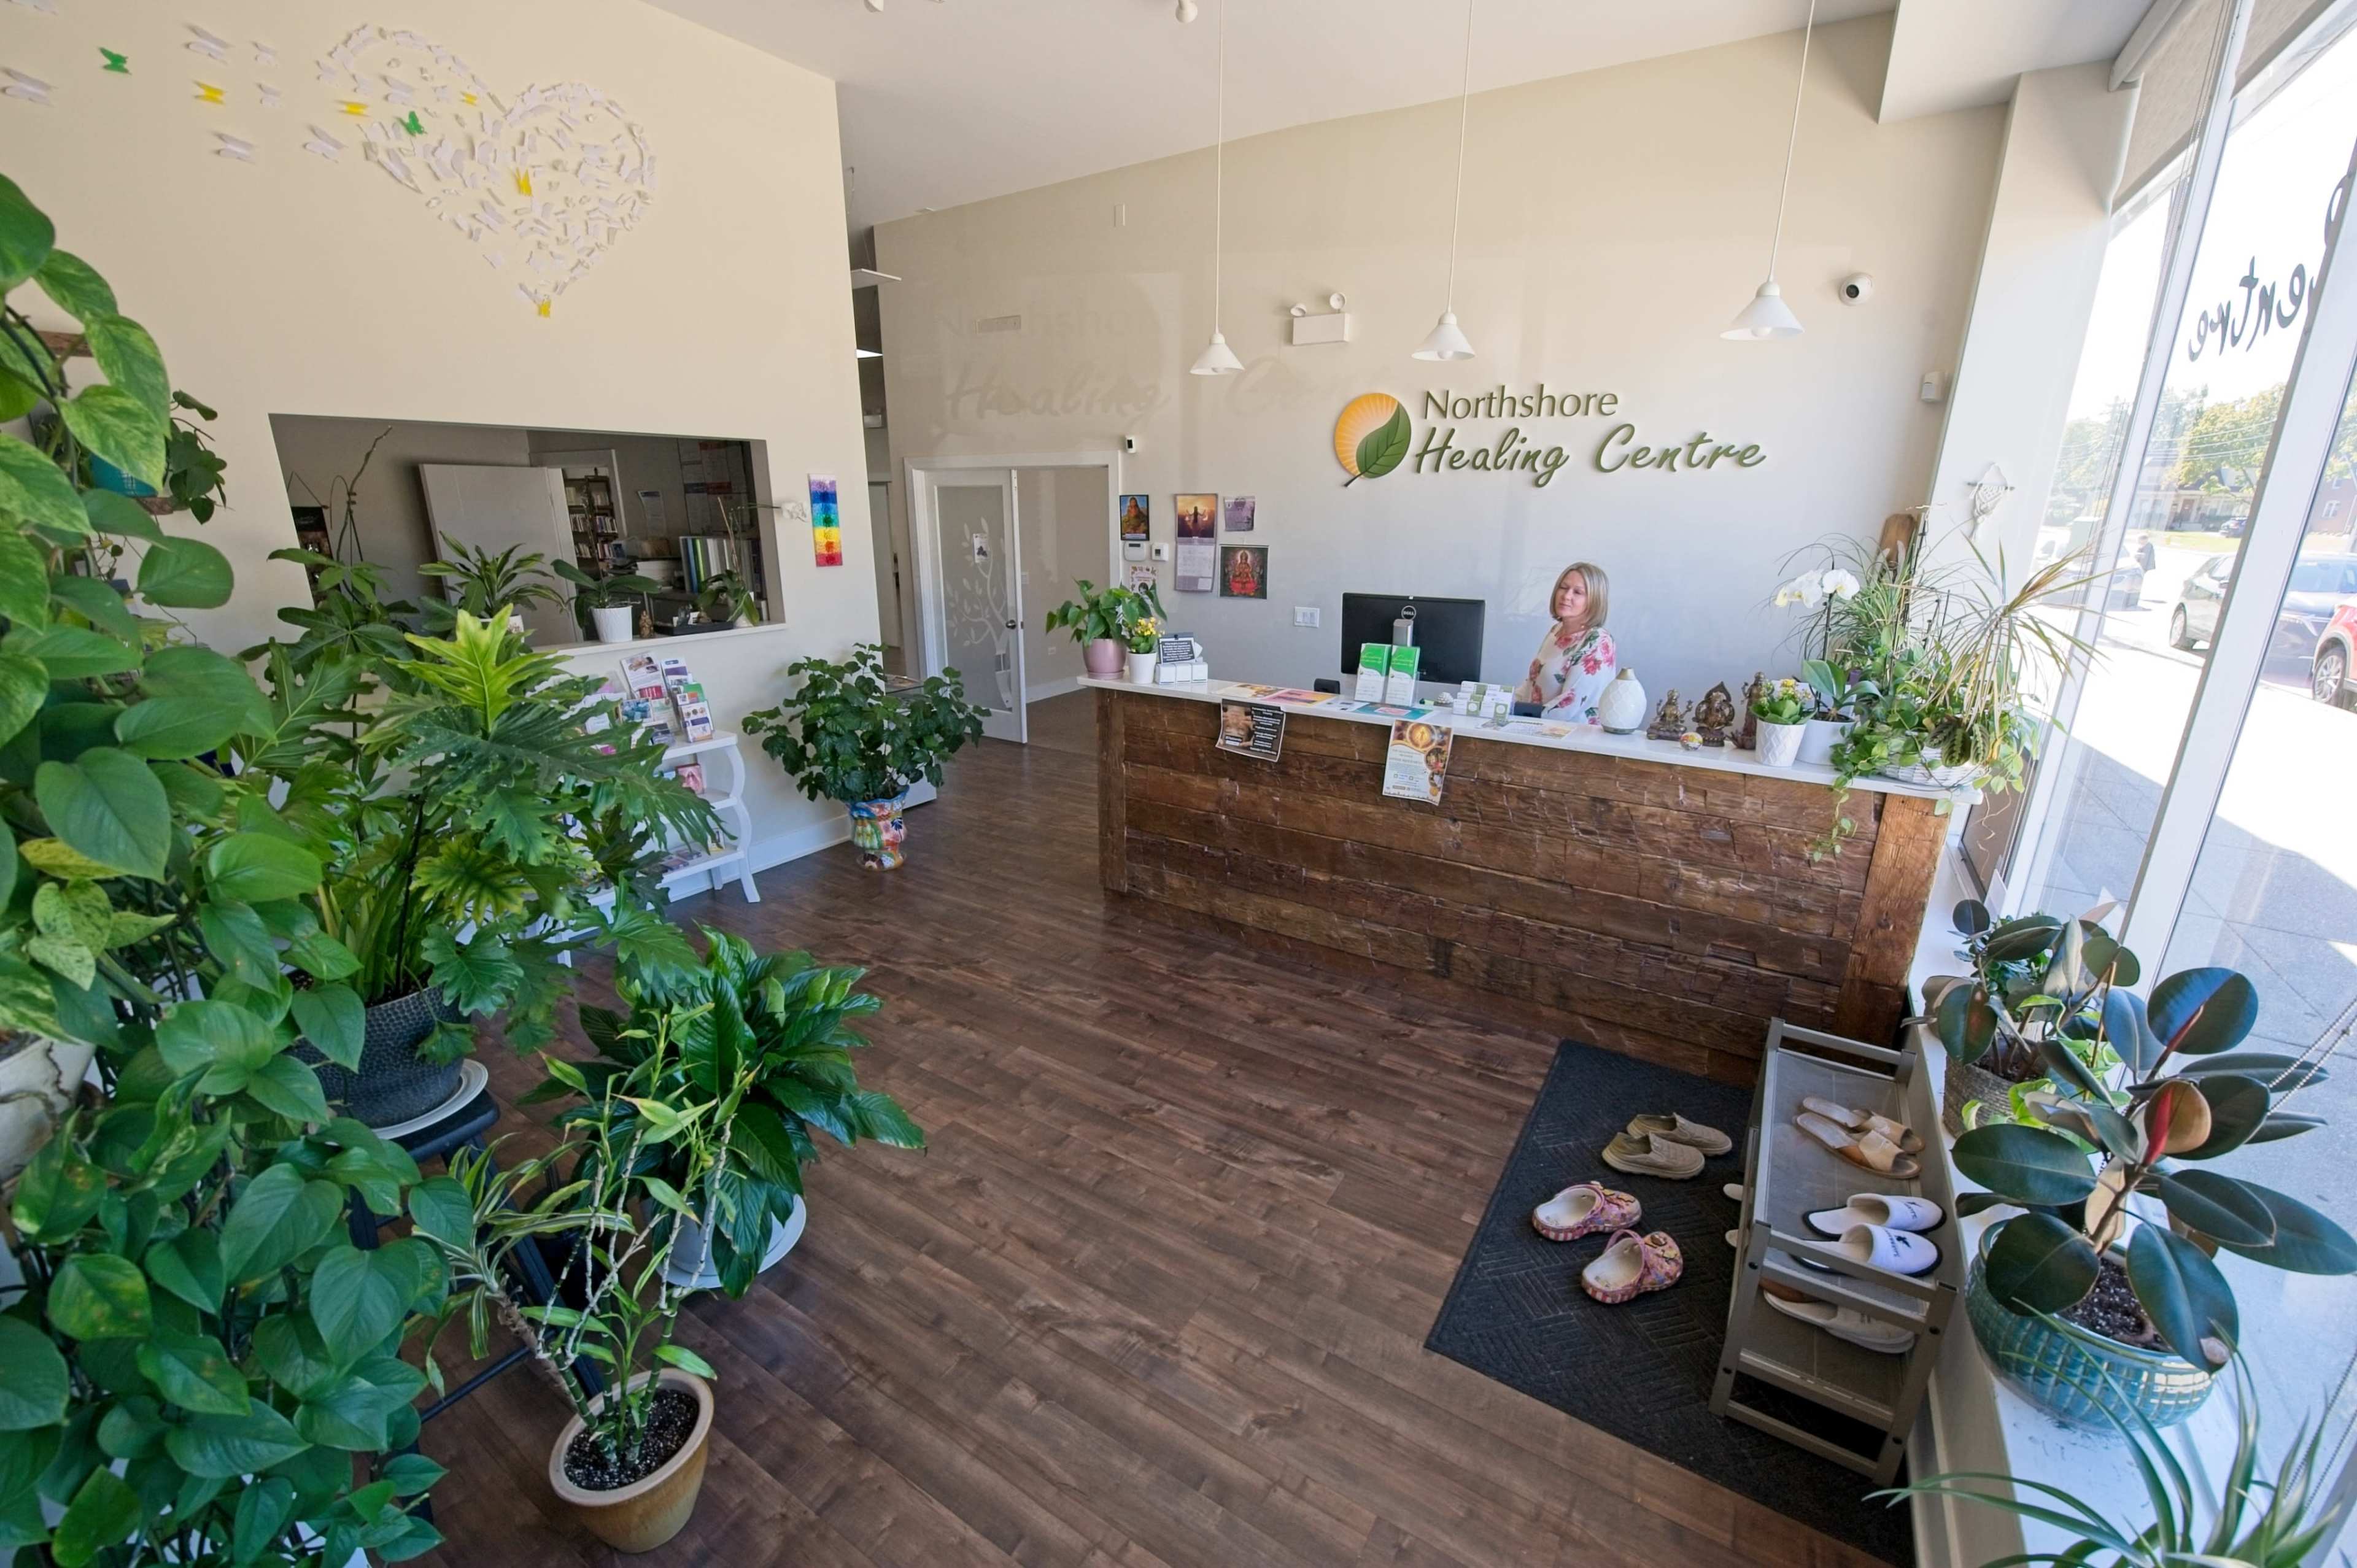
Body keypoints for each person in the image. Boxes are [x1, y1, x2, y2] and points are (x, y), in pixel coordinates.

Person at [1516, 561, 1617, 722]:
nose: (1566, 596)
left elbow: (1570, 704)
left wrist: (1522, 716)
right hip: (1535, 728)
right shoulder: (1556, 631)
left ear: (1594, 600)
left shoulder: (1598, 640)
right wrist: (1501, 705)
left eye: (1578, 592)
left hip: (1571, 737)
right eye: (1563, 588)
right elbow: (1531, 684)